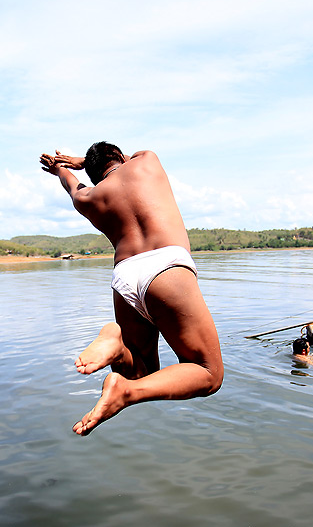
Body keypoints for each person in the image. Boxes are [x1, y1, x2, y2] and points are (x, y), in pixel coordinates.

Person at [40, 142, 223, 436]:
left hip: (124, 277)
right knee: (207, 373)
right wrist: (79, 160)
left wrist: (63, 168)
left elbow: (71, 186)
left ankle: (116, 343)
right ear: (121, 157)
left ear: (94, 174)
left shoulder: (89, 197)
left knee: (141, 374)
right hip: (166, 267)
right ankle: (127, 393)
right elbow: (132, 154)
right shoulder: (146, 161)